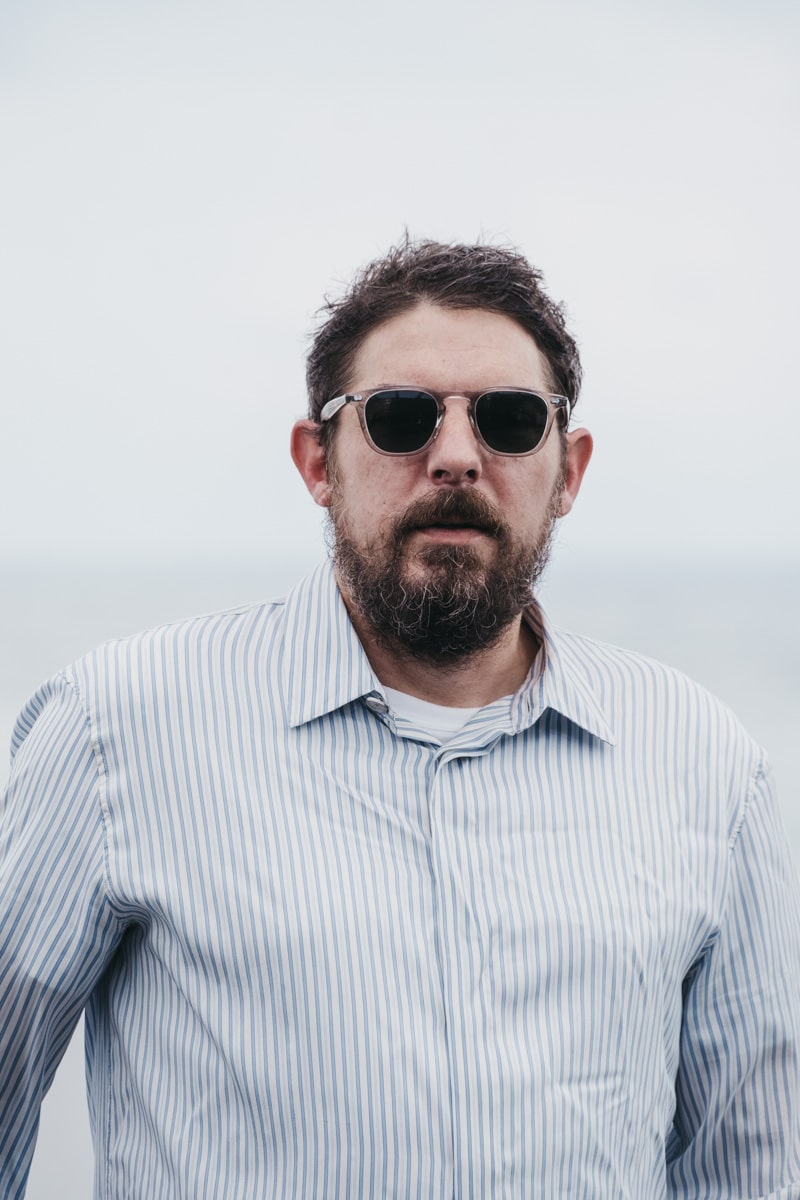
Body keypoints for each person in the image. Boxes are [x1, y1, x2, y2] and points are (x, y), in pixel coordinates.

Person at [1, 238, 798, 1200]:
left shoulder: (706, 767)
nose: (456, 457)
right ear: (318, 461)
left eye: (509, 420)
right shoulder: (114, 732)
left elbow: (751, 1170)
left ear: (569, 470)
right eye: (400, 417)